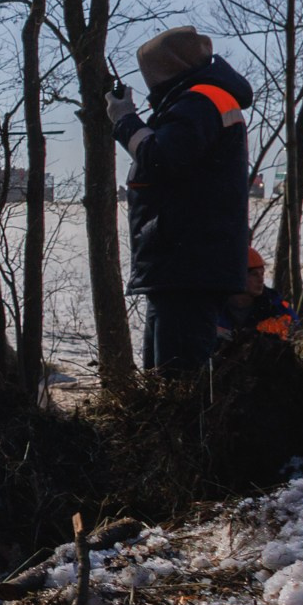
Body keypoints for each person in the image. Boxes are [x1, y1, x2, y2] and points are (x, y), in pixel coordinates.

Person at [108, 26, 255, 373]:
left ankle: (191, 430)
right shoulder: (196, 102)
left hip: (187, 264)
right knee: (164, 377)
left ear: (167, 68)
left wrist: (125, 120)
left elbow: (160, 158)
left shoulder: (200, 101)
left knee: (179, 381)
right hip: (180, 265)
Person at [221, 247, 294, 343]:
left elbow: (294, 336)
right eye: (254, 274)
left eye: (262, 274)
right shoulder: (211, 307)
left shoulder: (276, 307)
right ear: (236, 276)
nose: (261, 280)